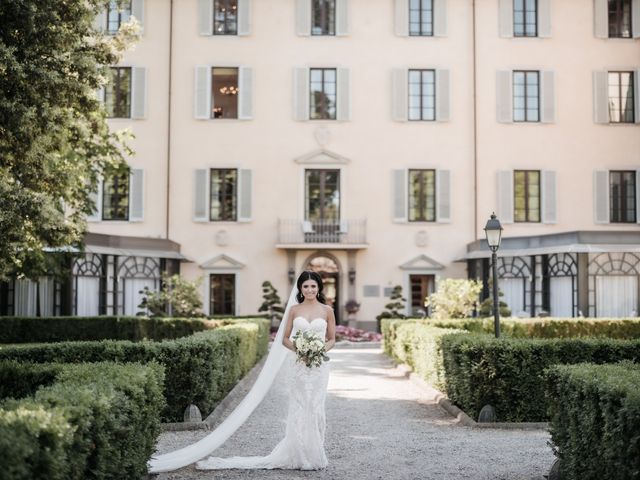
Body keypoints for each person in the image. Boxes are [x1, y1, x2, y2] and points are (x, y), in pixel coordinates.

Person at [194, 270, 336, 471]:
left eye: (313, 286)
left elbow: (332, 339)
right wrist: (301, 349)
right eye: (306, 286)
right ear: (300, 288)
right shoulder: (294, 310)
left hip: (319, 367)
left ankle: (315, 454)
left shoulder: (327, 310)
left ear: (319, 287)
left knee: (315, 407)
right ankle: (299, 454)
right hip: (298, 364)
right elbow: (285, 338)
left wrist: (319, 350)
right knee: (299, 406)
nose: (310, 289)